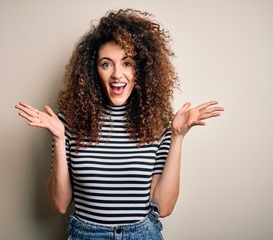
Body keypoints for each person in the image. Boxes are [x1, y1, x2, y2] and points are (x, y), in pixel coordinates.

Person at [15, 9, 224, 240]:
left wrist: (177, 136)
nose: (117, 74)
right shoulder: (67, 124)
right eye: (106, 64)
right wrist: (59, 138)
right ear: (93, 70)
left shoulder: (156, 125)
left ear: (141, 69)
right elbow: (59, 204)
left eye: (127, 63)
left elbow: (163, 207)